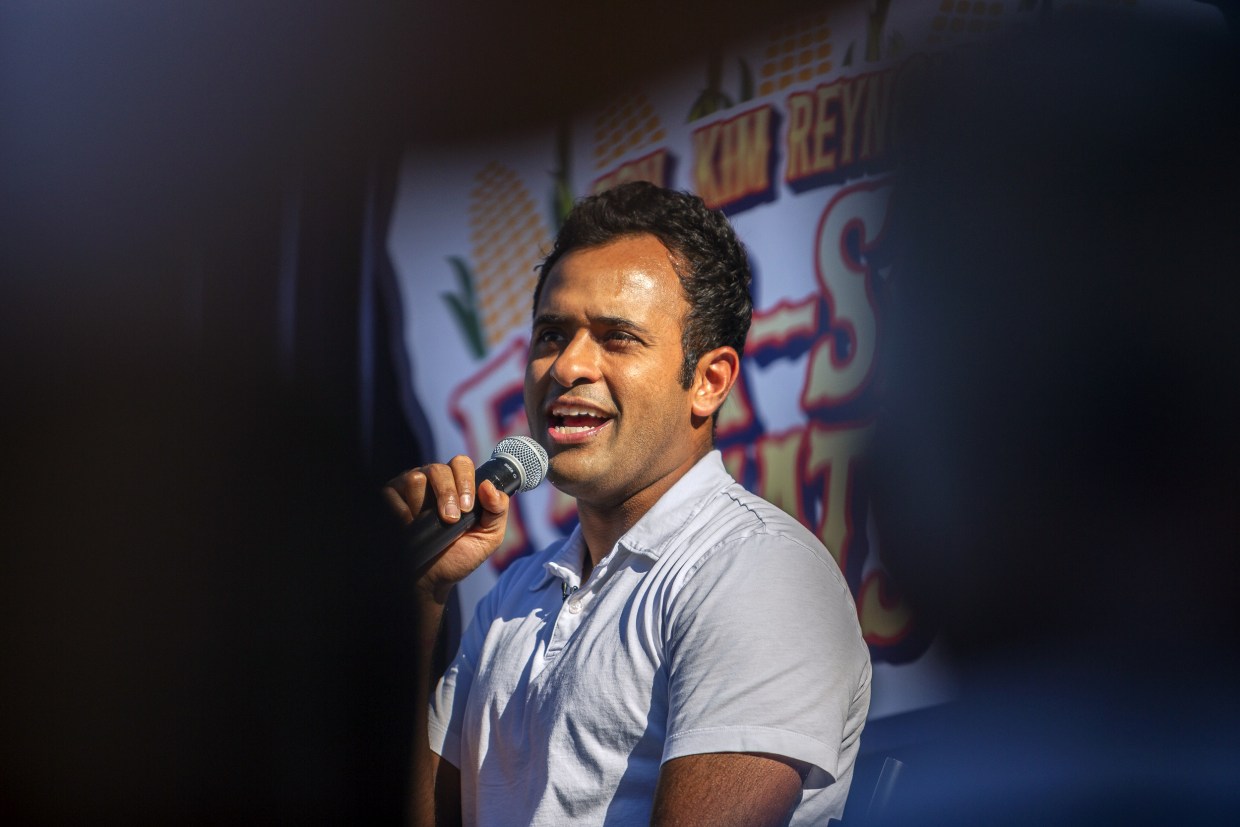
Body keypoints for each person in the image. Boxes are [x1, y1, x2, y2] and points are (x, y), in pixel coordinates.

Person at [386, 181, 871, 827]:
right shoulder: (515, 597)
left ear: (709, 380)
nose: (567, 367)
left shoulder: (759, 571)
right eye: (552, 334)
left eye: (616, 338)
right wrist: (414, 601)